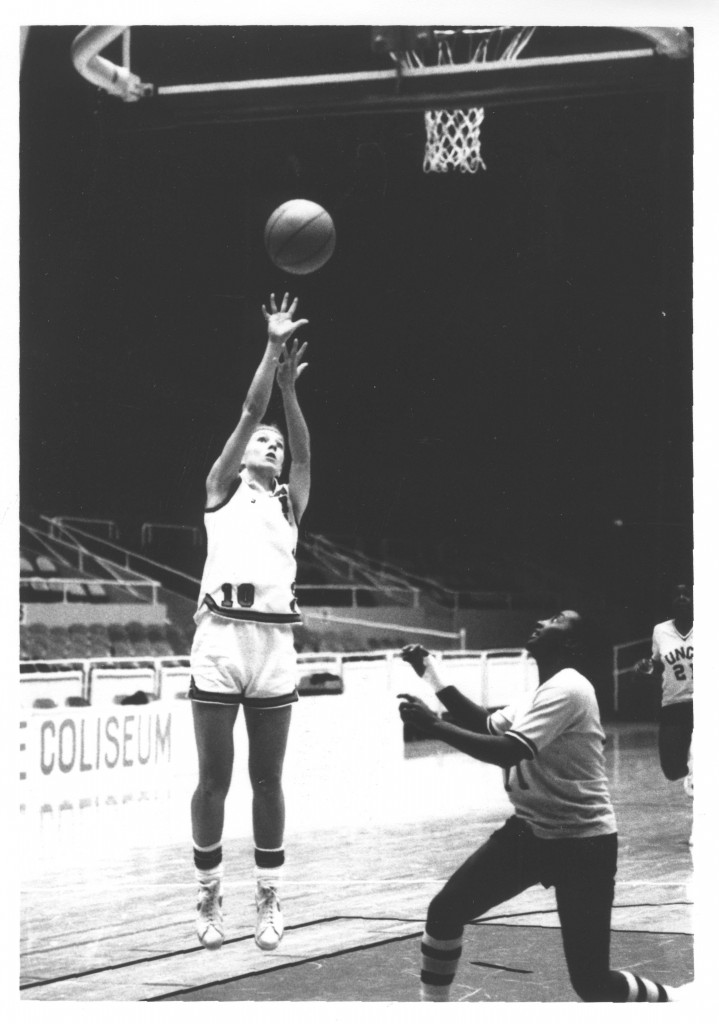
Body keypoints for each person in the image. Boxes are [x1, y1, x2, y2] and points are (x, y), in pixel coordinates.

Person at [397, 610, 692, 1002]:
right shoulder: (538, 693)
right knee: (445, 912)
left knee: (591, 983)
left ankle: (678, 1003)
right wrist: (430, 672)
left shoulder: (570, 688)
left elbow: (507, 751)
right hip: (531, 833)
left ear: (570, 643)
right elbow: (486, 724)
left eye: (557, 619)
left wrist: (434, 726)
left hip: (582, 844)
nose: (541, 620)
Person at [189, 293, 311, 953]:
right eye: (261, 441)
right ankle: (207, 893)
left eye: (275, 443)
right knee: (215, 778)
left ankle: (269, 898)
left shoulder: (291, 501)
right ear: (241, 458)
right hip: (221, 638)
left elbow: (304, 448)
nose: (269, 443)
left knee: (269, 780)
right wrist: (271, 350)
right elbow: (247, 411)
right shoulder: (221, 486)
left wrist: (291, 394)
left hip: (275, 643)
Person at [634, 584, 693, 804]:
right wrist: (647, 666)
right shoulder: (661, 630)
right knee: (672, 769)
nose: (682, 598)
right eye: (676, 594)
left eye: (687, 594)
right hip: (673, 705)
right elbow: (658, 664)